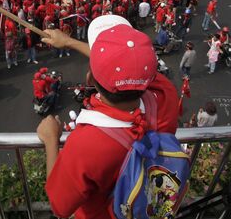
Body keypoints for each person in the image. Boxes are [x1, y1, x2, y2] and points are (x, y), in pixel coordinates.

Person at [36, 15, 178, 219]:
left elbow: (60, 207)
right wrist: (68, 41)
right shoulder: (165, 94)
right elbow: (134, 70)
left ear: (90, 79)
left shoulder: (87, 144)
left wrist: (51, 140)